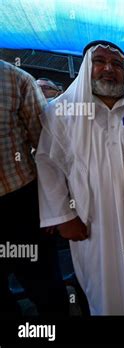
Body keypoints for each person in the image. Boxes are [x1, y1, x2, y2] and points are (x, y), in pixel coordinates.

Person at [35, 40, 124, 315]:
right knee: (101, 286)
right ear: (86, 68)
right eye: (100, 62)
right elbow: (48, 164)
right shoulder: (62, 111)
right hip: (90, 221)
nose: (109, 69)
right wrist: (63, 217)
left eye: (117, 64)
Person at [0, 60, 69, 317]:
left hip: (19, 208)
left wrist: (53, 207)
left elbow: (47, 149)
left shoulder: (16, 80)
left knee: (45, 288)